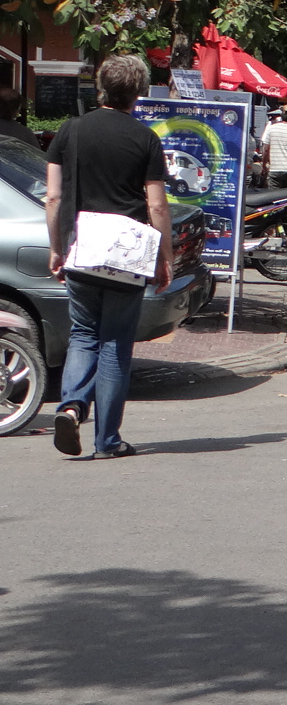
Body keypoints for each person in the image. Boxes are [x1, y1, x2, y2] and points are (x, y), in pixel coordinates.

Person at [45, 54, 173, 460]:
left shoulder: (71, 130)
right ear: (138, 91)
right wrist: (164, 256)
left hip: (82, 247)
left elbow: (54, 197)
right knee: (116, 343)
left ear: (101, 84)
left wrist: (57, 246)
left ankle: (70, 405)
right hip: (127, 255)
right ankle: (108, 441)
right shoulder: (145, 139)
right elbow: (156, 207)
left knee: (84, 334)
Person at [258, 105, 287, 189]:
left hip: (275, 170)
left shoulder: (271, 129)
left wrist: (264, 166)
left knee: (273, 197)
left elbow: (266, 150)